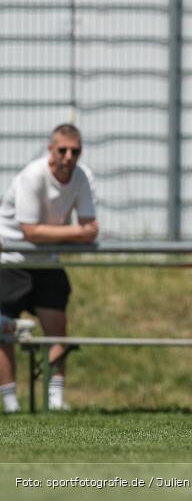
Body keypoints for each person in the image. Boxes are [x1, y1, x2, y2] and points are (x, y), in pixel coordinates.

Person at [0, 123, 98, 413]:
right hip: (11, 260)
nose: (69, 157)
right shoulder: (32, 175)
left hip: (47, 262)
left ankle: (55, 399)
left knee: (57, 330)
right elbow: (31, 231)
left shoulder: (83, 176)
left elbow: (91, 229)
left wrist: (65, 234)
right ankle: (10, 401)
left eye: (75, 151)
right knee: (3, 333)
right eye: (62, 150)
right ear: (50, 150)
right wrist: (76, 233)